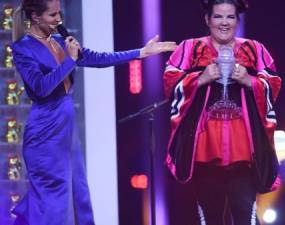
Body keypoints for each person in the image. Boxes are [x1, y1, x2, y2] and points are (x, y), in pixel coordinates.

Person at [10, 0, 177, 224]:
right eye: (52, 15)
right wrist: (70, 59)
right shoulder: (23, 48)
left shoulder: (60, 41)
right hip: (45, 131)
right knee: (52, 199)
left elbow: (98, 58)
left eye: (59, 13)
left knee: (78, 192)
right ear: (35, 16)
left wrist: (141, 52)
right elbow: (41, 88)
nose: (59, 20)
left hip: (66, 129)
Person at [163, 0, 281, 224]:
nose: (224, 23)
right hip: (205, 153)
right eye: (218, 16)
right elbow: (170, 83)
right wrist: (201, 78)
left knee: (246, 218)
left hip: (244, 155)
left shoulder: (254, 49)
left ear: (237, 20)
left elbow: (273, 83)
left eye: (230, 17)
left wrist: (249, 81)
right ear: (207, 20)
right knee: (211, 219)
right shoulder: (189, 48)